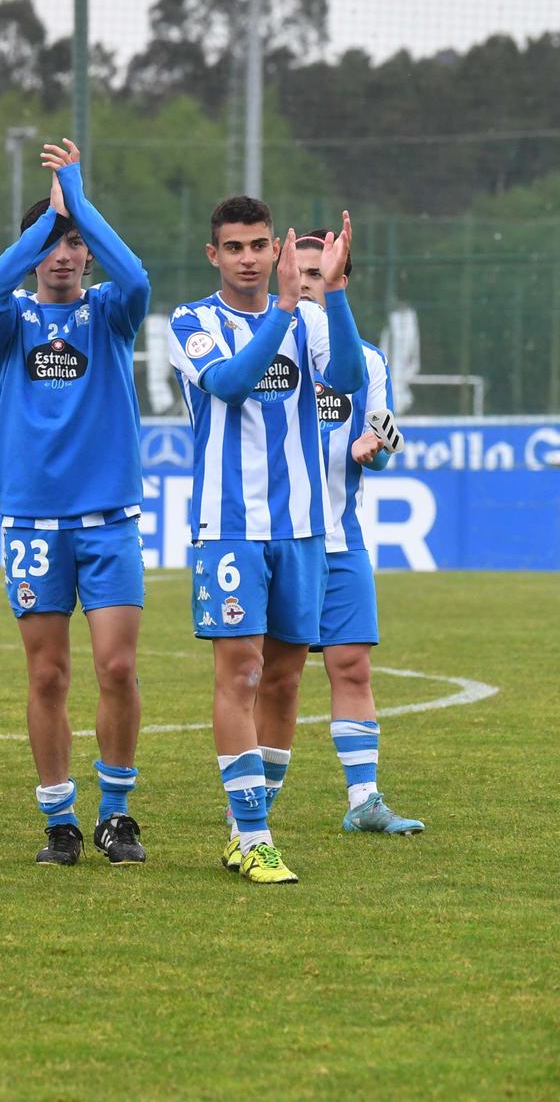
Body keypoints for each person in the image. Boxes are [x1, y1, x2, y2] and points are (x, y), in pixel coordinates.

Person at [169, 200, 363, 884]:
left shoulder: (310, 318)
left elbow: (349, 381)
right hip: (228, 528)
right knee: (242, 672)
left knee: (283, 678)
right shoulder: (191, 323)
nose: (247, 257)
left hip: (304, 527)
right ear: (212, 254)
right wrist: (282, 309)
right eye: (234, 247)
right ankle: (254, 835)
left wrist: (332, 294)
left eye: (258, 244)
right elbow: (228, 382)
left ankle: (244, 822)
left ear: (272, 246)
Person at [0, 140, 149, 866]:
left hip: (109, 520)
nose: (66, 254)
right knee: (47, 674)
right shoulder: (8, 322)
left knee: (117, 668)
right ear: (32, 250)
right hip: (33, 524)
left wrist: (76, 196)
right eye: (53, 243)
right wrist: (41, 224)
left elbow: (135, 271)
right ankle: (59, 819)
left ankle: (117, 813)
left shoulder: (111, 312)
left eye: (75, 242)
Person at [248, 231, 423, 836]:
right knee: (277, 675)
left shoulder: (366, 362)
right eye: (300, 272)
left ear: (340, 280)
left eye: (322, 275)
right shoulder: (262, 344)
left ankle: (364, 800)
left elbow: (384, 443)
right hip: (278, 537)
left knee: (352, 668)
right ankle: (256, 805)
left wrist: (374, 450)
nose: (307, 284)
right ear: (280, 272)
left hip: (340, 538)